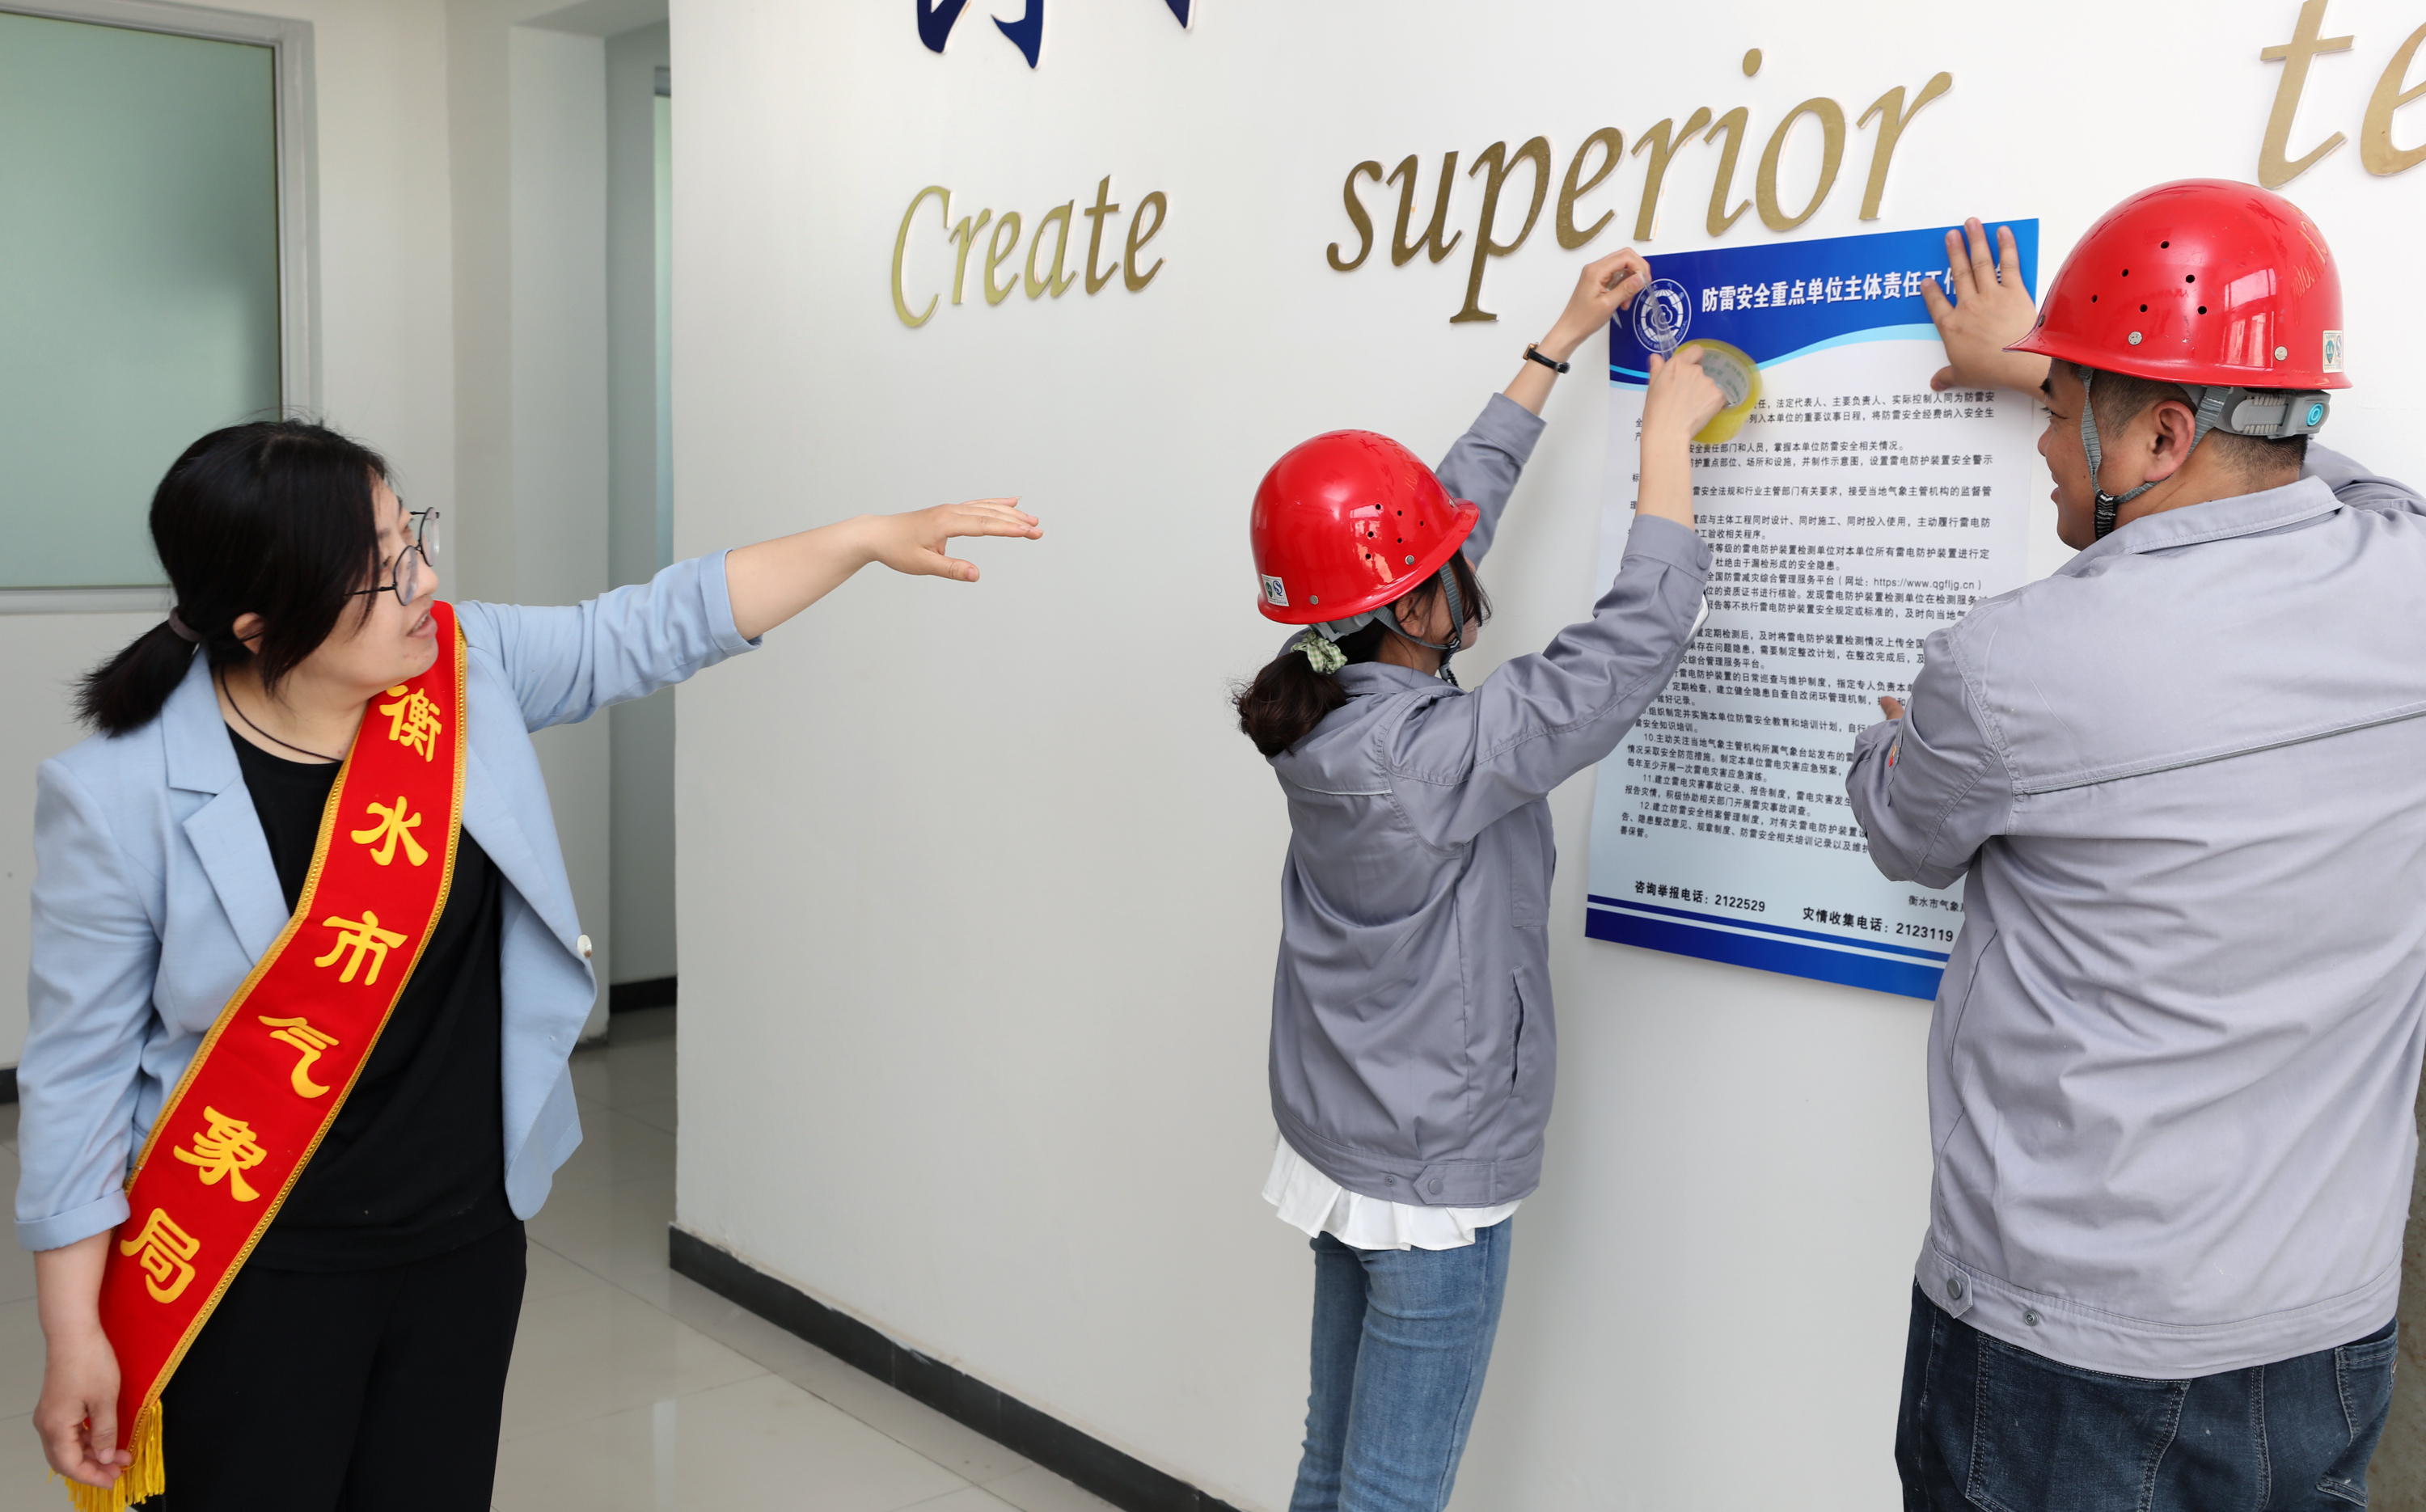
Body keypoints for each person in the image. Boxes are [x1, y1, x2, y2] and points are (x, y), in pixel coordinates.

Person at [20, 418, 1038, 1512]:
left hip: (463, 1239)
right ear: (262, 623)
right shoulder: (116, 794)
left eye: (409, 537)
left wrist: (862, 538)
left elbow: (652, 626)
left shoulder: (465, 672)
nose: (424, 579)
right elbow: (80, 1077)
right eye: (381, 572)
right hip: (247, 1261)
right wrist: (74, 1332)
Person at [1854, 183, 2426, 1511]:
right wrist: (2111, 382)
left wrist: (1898, 739)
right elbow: (2342, 475)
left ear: (2162, 435)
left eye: (2058, 403)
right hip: (2329, 1336)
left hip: (2070, 1361)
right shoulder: (2405, 581)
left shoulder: (2015, 659)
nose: (2041, 437)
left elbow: (1901, 827)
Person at [1232, 248, 1727, 1512]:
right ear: (1414, 610)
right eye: (1446, 565)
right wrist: (1665, 444)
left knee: (1332, 1464)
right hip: (1429, 1181)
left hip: (1346, 1147)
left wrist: (1558, 342)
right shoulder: (1436, 755)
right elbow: (1630, 646)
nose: (1469, 564)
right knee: (1393, 1493)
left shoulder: (1325, 693)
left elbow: (1433, 519)